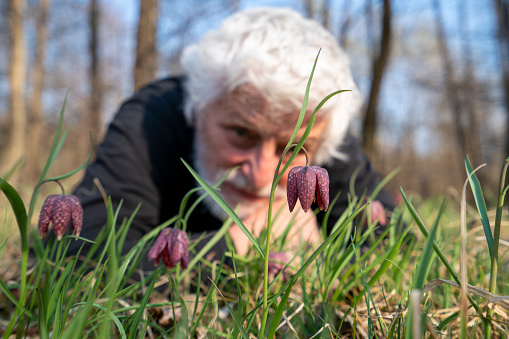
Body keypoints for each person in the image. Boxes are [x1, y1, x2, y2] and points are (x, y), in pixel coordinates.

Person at [67, 7, 395, 269]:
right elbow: (77, 254)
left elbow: (392, 246)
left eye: (290, 148)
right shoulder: (152, 118)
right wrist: (241, 244)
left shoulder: (322, 134)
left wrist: (320, 264)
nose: (260, 174)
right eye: (241, 133)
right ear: (198, 107)